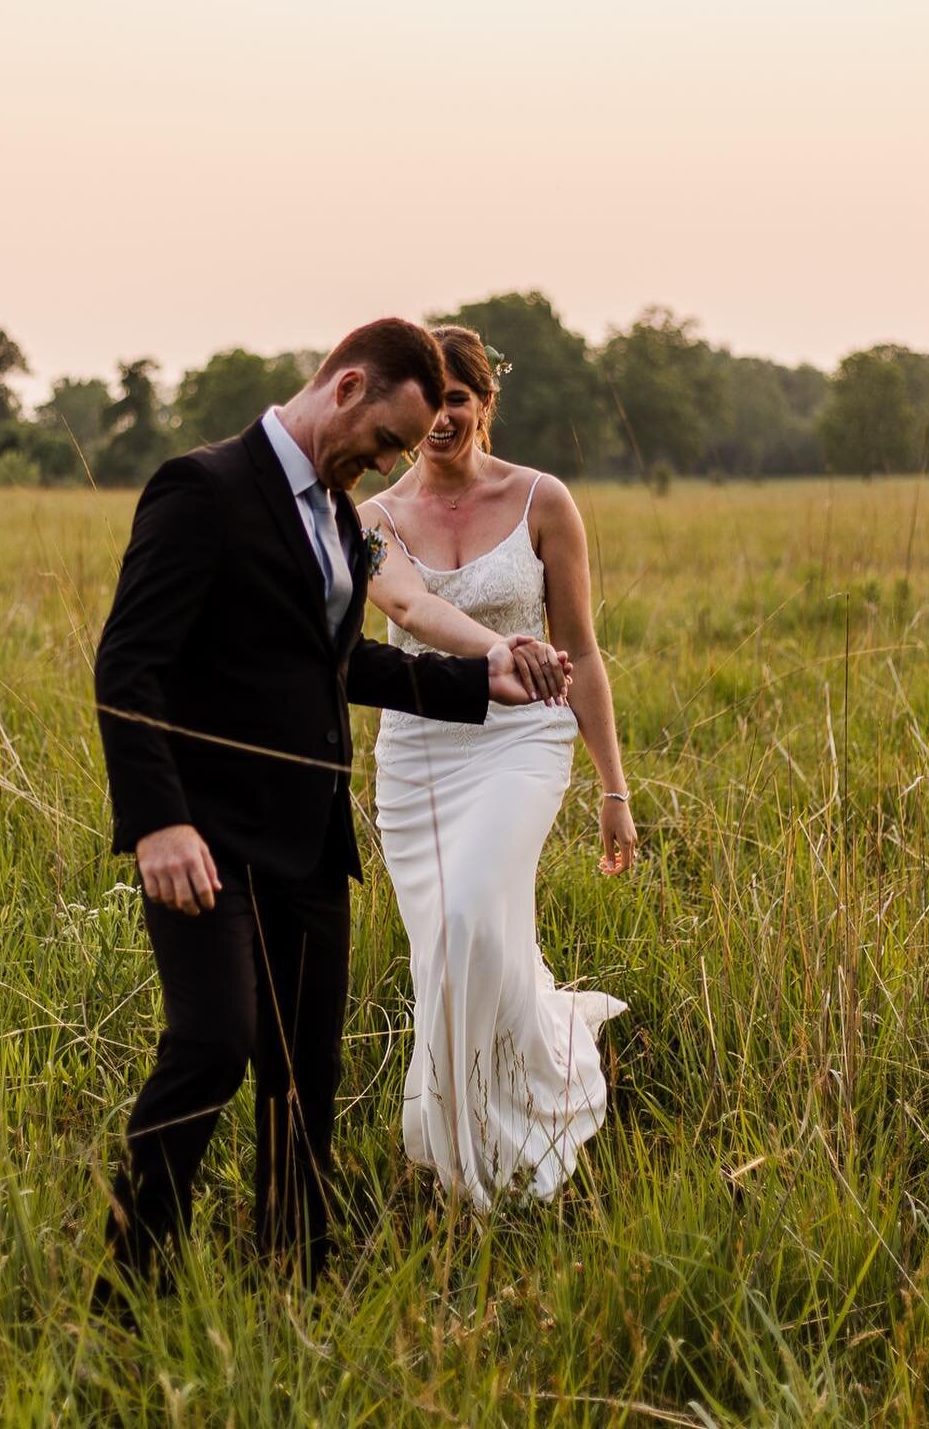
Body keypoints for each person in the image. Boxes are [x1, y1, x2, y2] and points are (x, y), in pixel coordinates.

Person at [91, 318, 571, 1303]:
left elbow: (337, 664)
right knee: (212, 1046)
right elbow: (125, 664)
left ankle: (295, 1281)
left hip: (309, 844)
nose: (390, 463)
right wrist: (157, 823)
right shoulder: (203, 489)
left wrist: (483, 687)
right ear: (345, 388)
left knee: (305, 1081)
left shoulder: (337, 519)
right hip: (205, 841)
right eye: (388, 441)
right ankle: (128, 1291)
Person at [359, 325, 636, 1209]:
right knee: (448, 944)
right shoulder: (373, 520)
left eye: (456, 400)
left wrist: (613, 788)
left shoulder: (542, 501)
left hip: (523, 744)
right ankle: (473, 1115)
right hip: (418, 751)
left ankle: (485, 1151)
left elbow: (581, 653)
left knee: (476, 912)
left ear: (483, 403)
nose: (440, 419)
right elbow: (404, 606)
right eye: (426, 401)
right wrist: (499, 654)